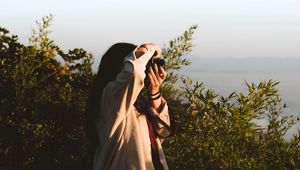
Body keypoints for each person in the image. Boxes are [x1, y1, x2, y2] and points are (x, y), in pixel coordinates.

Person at [86, 43, 172, 170]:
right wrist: (151, 48)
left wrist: (154, 92)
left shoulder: (134, 105)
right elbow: (134, 72)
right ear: (120, 66)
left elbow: (164, 130)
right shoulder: (110, 98)